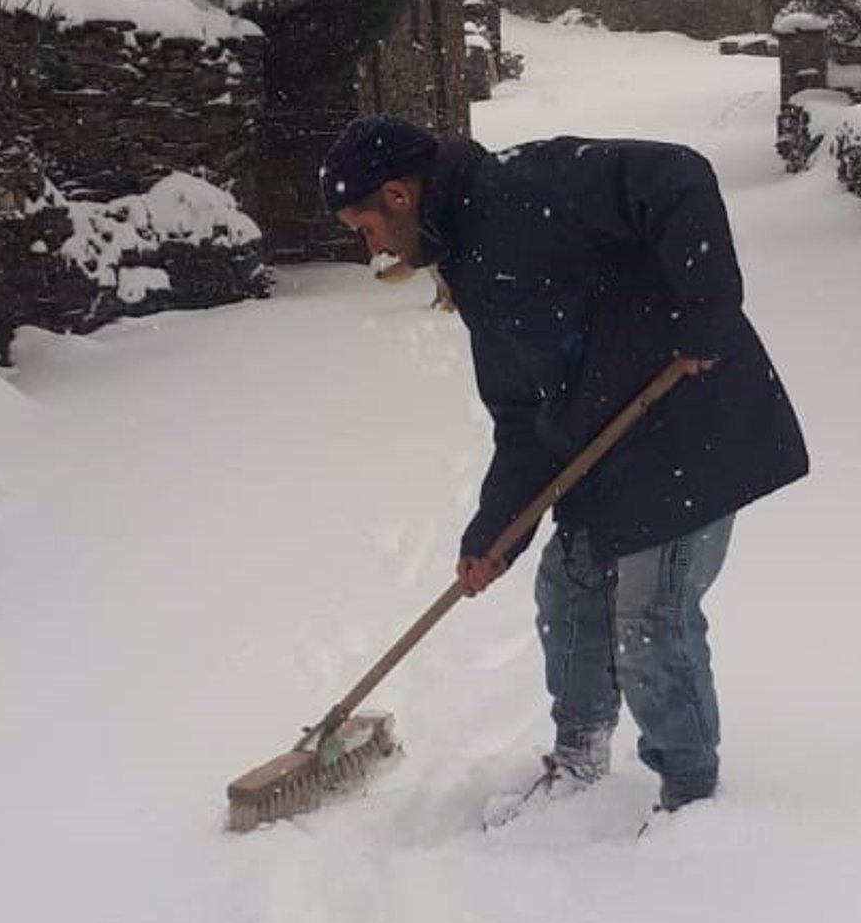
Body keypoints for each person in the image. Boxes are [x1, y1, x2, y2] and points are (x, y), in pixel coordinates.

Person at [319, 113, 808, 820]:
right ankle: (579, 759)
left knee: (651, 620)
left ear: (398, 194)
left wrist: (705, 310)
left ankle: (691, 801)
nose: (372, 249)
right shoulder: (470, 262)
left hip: (688, 425)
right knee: (567, 592)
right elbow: (521, 417)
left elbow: (677, 177)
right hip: (608, 448)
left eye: (364, 228)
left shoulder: (526, 185)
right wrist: (495, 533)